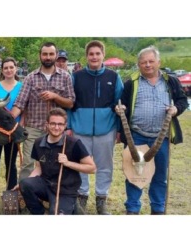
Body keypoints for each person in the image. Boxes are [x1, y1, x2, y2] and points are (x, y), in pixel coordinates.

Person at [117, 46, 188, 215]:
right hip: (136, 135)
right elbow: (123, 105)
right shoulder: (131, 83)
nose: (147, 65)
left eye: (151, 61)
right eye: (143, 62)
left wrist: (175, 110)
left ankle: (157, 209)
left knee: (160, 174)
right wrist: (121, 109)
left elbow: (182, 101)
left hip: (160, 137)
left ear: (158, 62)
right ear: (139, 64)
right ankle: (132, 208)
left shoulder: (171, 82)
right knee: (134, 173)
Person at [67, 40, 124, 215]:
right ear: (86, 56)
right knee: (80, 163)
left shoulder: (113, 77)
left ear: (103, 55)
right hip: (79, 129)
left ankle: (101, 199)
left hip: (106, 129)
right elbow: (69, 103)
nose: (94, 57)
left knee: (105, 165)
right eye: (91, 54)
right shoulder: (76, 76)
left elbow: (120, 104)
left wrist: (119, 129)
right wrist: (69, 127)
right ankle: (82, 196)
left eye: (97, 53)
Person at [11, 42, 75, 183]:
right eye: (45, 54)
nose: (48, 57)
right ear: (40, 56)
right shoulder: (30, 77)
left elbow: (70, 103)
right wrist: (8, 119)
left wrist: (55, 96)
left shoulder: (65, 77)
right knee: (27, 163)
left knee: (54, 164)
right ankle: (24, 194)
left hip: (56, 129)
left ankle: (50, 194)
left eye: (51, 54)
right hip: (33, 127)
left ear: (56, 55)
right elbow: (20, 103)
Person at [16, 108, 96, 215]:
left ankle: (72, 206)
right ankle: (39, 212)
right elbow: (39, 168)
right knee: (24, 184)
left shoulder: (74, 143)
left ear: (65, 125)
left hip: (65, 190)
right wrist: (23, 184)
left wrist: (68, 163)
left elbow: (92, 168)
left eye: (60, 124)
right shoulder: (38, 142)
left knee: (57, 214)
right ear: (47, 124)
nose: (56, 127)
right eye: (53, 123)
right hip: (46, 185)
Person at [0, 57, 23, 204]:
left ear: (16, 69)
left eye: (11, 67)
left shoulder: (21, 86)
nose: (8, 70)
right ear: (2, 70)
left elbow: (24, 106)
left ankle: (11, 193)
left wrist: (21, 125)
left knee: (11, 163)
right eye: (5, 68)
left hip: (13, 130)